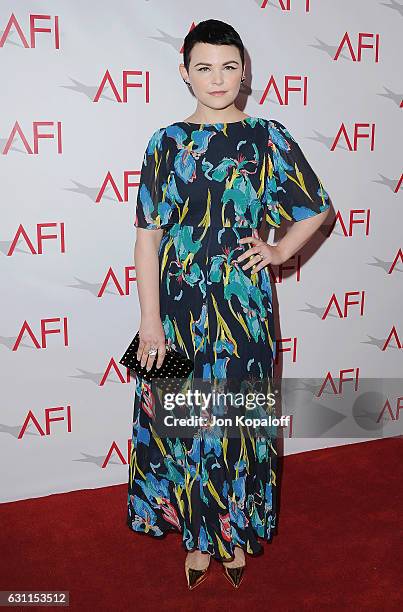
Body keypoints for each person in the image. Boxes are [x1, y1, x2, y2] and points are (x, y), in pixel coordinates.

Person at [127, 19, 331, 590]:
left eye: (229, 66)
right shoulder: (165, 143)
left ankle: (232, 530)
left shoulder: (269, 137)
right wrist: (150, 322)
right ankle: (197, 535)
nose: (218, 79)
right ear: (185, 73)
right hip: (178, 303)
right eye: (204, 67)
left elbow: (316, 207)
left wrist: (277, 249)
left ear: (244, 70)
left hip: (244, 307)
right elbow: (148, 235)